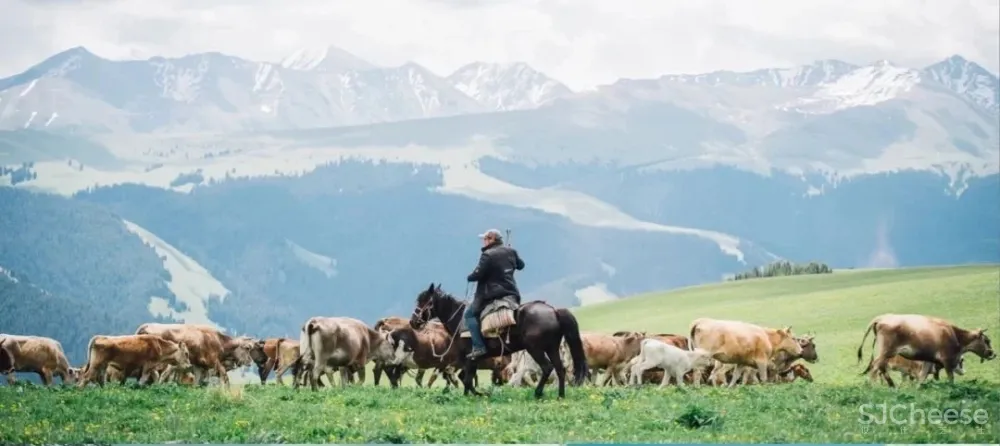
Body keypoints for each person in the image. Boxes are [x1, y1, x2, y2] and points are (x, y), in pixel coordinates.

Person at [465, 228, 525, 360]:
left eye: (485, 239)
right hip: (512, 292)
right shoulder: (511, 251)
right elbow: (521, 265)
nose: (483, 242)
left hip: (491, 294)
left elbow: (478, 274)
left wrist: (469, 277)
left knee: (469, 315)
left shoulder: (487, 255)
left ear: (492, 239)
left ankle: (479, 346)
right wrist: (510, 255)